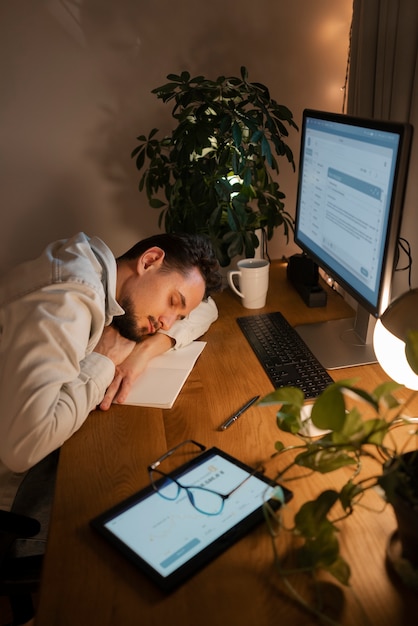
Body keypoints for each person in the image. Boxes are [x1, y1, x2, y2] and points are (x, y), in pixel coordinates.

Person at [0, 231, 222, 519]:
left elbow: (208, 308)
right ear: (150, 260)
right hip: (17, 489)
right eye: (173, 301)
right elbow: (23, 448)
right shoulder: (69, 303)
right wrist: (103, 359)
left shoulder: (97, 266)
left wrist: (146, 351)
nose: (167, 322)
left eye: (178, 317)